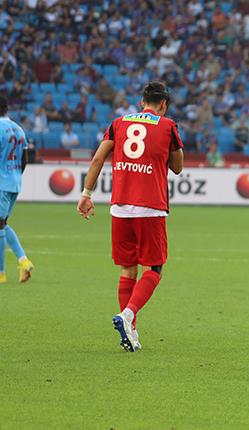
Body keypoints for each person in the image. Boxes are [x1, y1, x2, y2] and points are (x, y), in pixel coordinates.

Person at [77, 82, 184, 352]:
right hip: (151, 207)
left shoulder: (118, 123)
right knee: (155, 268)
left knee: (127, 269)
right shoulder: (168, 126)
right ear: (163, 104)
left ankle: (131, 333)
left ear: (141, 101)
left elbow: (98, 159)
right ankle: (128, 315)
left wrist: (86, 194)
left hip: (120, 207)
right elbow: (178, 167)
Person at [0, 94, 35, 284]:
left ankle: (1, 273)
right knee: (2, 224)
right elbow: (24, 159)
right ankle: (24, 261)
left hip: (1, 182)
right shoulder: (18, 129)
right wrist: (14, 176)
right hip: (14, 182)